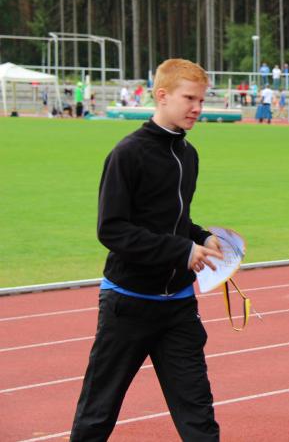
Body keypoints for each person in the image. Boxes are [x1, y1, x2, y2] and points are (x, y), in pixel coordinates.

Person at [70, 58, 222, 441]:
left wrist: (202, 237)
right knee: (97, 412)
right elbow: (112, 229)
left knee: (199, 416)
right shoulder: (128, 153)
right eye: (189, 99)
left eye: (202, 100)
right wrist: (180, 250)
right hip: (128, 304)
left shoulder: (188, 154)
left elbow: (174, 220)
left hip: (178, 307)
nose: (198, 108)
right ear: (162, 96)